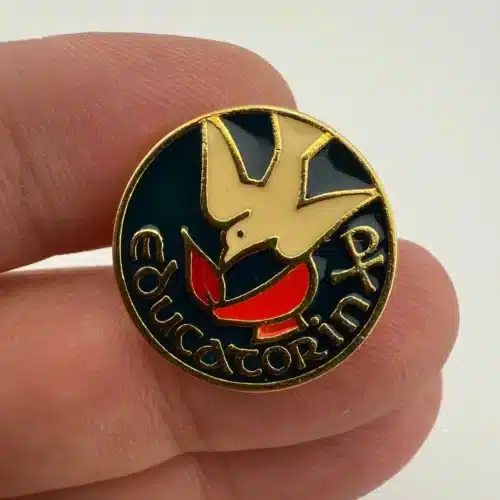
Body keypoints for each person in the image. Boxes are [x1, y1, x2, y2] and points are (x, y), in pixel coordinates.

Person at [0, 33, 459, 499]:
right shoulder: (260, 229)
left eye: (234, 243)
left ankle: (294, 148)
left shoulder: (281, 236)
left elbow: (330, 212)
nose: (232, 251)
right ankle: (293, 149)